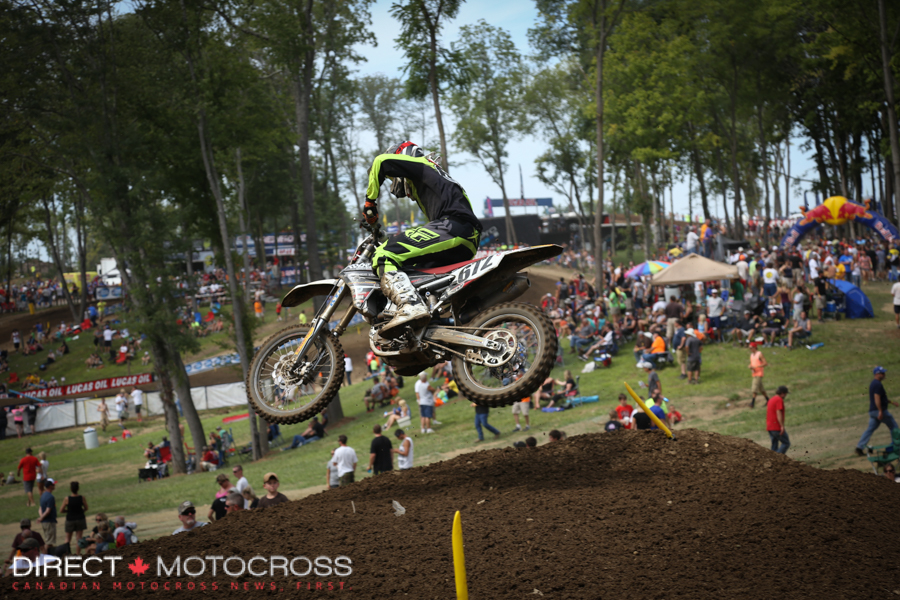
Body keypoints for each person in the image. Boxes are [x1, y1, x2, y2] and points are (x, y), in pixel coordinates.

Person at [364, 141, 482, 337]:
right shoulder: (436, 178)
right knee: (416, 273)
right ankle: (431, 326)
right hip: (467, 238)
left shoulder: (422, 165)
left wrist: (370, 203)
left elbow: (380, 161)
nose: (398, 186)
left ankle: (409, 305)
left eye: (396, 178)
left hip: (453, 227)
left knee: (384, 254)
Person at [855, 366, 899, 456]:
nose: (884, 374)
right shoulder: (877, 384)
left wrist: (891, 402)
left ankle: (859, 447)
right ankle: (895, 447)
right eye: (882, 373)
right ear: (877, 374)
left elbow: (882, 398)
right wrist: (880, 411)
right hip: (878, 411)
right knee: (894, 427)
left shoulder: (874, 383)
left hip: (873, 412)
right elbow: (877, 398)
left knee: (870, 429)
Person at [59, 481, 88, 555]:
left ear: (71, 489)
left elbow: (61, 510)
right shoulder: (82, 498)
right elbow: (86, 508)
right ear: (78, 489)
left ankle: (67, 554)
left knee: (67, 538)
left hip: (70, 519)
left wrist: (68, 511)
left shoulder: (67, 499)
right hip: (80, 518)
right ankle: (78, 554)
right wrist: (81, 511)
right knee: (79, 538)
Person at [766, 386, 790, 454]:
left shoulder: (771, 399)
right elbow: (778, 412)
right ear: (782, 393)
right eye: (785, 394)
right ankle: (778, 458)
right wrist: (782, 426)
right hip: (776, 427)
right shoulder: (779, 400)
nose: (785, 396)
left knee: (774, 446)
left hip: (770, 427)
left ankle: (772, 459)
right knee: (786, 443)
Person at [37, 478, 58, 547]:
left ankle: (49, 553)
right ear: (50, 486)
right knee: (48, 542)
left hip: (45, 522)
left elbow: (40, 509)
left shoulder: (43, 495)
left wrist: (41, 517)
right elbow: (48, 510)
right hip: (49, 521)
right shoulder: (50, 497)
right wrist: (41, 518)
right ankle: (44, 553)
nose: (54, 485)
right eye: (53, 484)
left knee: (49, 541)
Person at [748, 342, 769, 409]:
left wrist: (757, 366)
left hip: (759, 373)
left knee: (754, 388)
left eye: (751, 348)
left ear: (755, 347)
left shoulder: (759, 354)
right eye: (749, 348)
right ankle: (768, 400)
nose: (750, 349)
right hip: (754, 373)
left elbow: (765, 363)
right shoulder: (751, 355)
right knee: (761, 389)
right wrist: (750, 366)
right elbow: (752, 363)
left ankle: (752, 403)